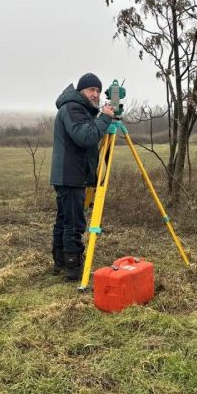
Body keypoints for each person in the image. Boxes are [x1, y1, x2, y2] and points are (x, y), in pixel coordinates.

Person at [50, 73, 114, 280]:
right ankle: (73, 268)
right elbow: (86, 137)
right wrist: (105, 118)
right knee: (74, 223)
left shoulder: (78, 108)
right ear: (80, 91)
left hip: (69, 174)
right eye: (90, 90)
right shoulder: (73, 108)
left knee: (65, 220)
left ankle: (60, 262)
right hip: (70, 175)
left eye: (97, 90)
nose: (95, 94)